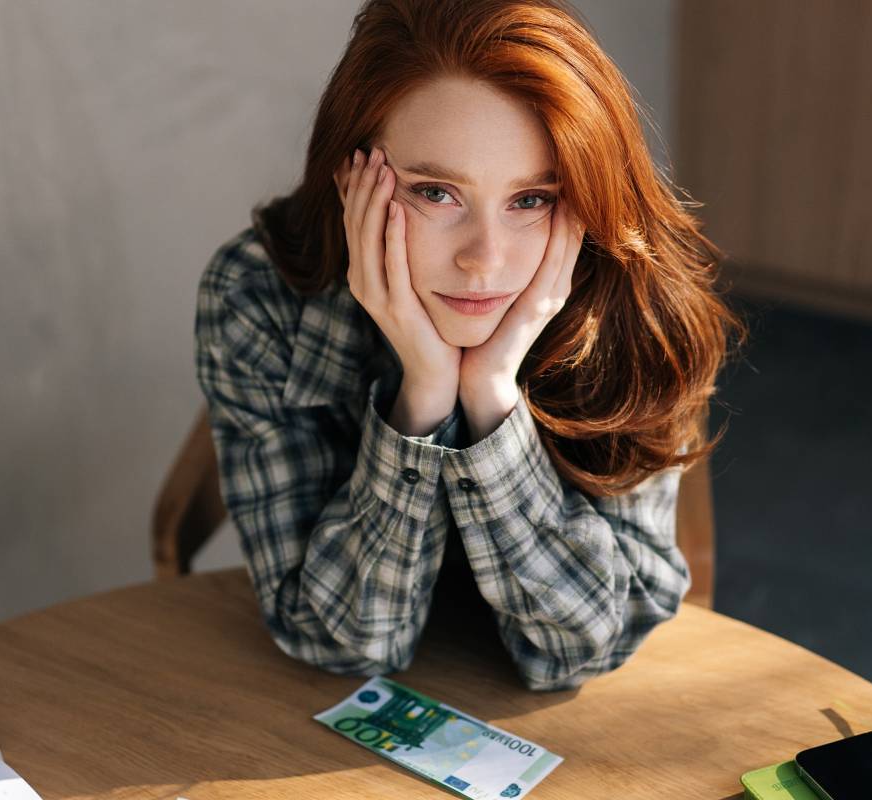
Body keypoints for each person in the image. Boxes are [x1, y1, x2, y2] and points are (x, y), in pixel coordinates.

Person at [194, 0, 744, 691]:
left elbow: (583, 648)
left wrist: (489, 396)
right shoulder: (258, 296)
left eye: (531, 200)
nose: (484, 260)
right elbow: (339, 641)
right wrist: (420, 399)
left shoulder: (634, 291)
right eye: (436, 192)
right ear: (350, 177)